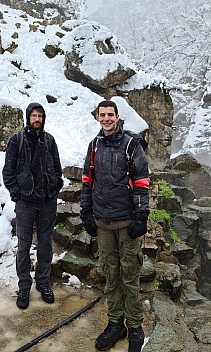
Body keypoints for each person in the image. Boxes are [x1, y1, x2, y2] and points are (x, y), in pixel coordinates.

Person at [80, 100, 149, 352]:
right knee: (110, 275)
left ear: (118, 117)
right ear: (98, 117)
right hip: (102, 222)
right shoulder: (94, 145)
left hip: (126, 222)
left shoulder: (131, 145)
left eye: (110, 114)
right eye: (103, 115)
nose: (107, 119)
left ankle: (135, 326)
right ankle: (115, 323)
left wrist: (141, 215)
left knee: (129, 275)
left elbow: (141, 181)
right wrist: (86, 211)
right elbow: (87, 180)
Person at [2, 102, 63, 309]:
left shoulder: (49, 140)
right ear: (28, 118)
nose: (37, 119)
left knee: (45, 243)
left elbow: (57, 168)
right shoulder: (16, 141)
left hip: (47, 201)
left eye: (40, 116)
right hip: (26, 203)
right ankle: (24, 285)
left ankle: (43, 282)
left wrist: (55, 187)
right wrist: (16, 194)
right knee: (24, 244)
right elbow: (8, 172)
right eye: (34, 116)